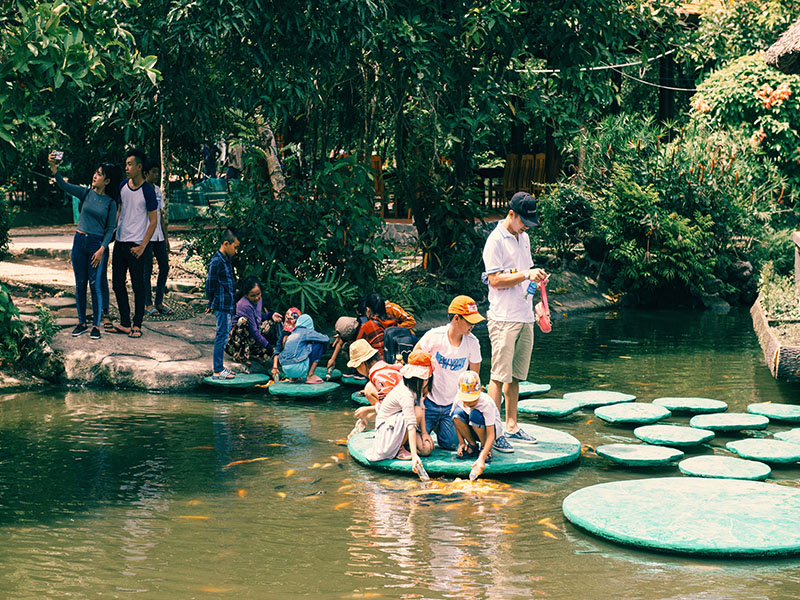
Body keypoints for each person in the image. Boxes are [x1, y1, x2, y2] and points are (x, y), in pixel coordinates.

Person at [482, 191, 548, 449]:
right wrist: (525, 275)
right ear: (511, 214)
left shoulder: (525, 237)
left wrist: (537, 278)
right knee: (498, 376)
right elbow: (495, 280)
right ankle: (493, 431)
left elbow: (526, 271)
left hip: (525, 315)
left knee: (516, 376)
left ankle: (511, 424)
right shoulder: (495, 241)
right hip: (503, 317)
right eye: (523, 222)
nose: (525, 228)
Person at [49, 152, 121, 340]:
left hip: (96, 245)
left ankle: (95, 326)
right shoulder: (86, 193)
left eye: (99, 174)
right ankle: (81, 323)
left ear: (107, 180)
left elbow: (110, 229)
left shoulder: (111, 203)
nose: (95, 176)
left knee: (95, 284)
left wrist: (102, 249)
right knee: (80, 284)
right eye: (95, 172)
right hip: (79, 242)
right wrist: (54, 167)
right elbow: (63, 185)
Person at [415, 295, 484, 452]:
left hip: (453, 405)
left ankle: (443, 426)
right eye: (469, 321)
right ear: (456, 318)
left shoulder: (472, 343)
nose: (472, 325)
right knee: (420, 444)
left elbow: (475, 378)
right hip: (428, 402)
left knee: (450, 444)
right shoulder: (434, 336)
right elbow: (415, 356)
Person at [110, 149, 158, 338]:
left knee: (138, 286)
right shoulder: (123, 186)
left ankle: (137, 324)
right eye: (126, 164)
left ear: (139, 167)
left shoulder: (148, 191)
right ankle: (124, 322)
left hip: (138, 246)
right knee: (117, 284)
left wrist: (143, 246)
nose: (127, 167)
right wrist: (113, 229)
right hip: (120, 243)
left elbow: (153, 221)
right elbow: (120, 210)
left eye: (130, 164)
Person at [364, 350, 435, 476]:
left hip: (399, 427)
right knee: (416, 412)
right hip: (387, 432)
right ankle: (399, 449)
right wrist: (414, 457)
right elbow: (411, 424)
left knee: (427, 448)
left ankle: (404, 444)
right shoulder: (405, 393)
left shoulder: (418, 389)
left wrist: (424, 433)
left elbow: (422, 407)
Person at [451, 371, 502, 480]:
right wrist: (461, 443)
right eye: (466, 400)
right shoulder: (458, 399)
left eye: (472, 400)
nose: (469, 403)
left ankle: (485, 448)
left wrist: (482, 458)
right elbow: (456, 421)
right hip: (471, 427)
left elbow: (491, 434)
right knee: (457, 413)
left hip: (489, 429)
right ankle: (472, 445)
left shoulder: (486, 403)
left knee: (475, 414)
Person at [205, 226, 240, 379]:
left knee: (224, 334)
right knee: (221, 335)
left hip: (228, 305)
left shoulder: (226, 260)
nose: (236, 250)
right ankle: (217, 369)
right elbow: (210, 284)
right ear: (226, 243)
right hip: (221, 305)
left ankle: (220, 367)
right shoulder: (216, 261)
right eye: (235, 247)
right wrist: (211, 302)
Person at [346, 338, 403, 428]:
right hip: (404, 407)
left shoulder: (379, 375)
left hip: (403, 412)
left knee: (368, 389)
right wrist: (367, 417)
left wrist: (368, 410)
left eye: (356, 367)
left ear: (363, 363)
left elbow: (391, 404)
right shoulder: (383, 368)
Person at [226, 276, 283, 365]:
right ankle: (240, 355)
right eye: (253, 295)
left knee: (270, 323)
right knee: (243, 321)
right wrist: (269, 347)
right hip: (234, 342)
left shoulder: (258, 300)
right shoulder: (245, 305)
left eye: (258, 294)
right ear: (246, 295)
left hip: (250, 337)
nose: (256, 298)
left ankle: (254, 353)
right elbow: (254, 331)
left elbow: (258, 317)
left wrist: (271, 315)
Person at [142, 159, 173, 317]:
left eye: (157, 172)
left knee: (165, 267)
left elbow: (160, 215)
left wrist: (166, 238)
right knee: (147, 270)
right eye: (153, 172)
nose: (155, 175)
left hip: (159, 236)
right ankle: (147, 304)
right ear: (146, 173)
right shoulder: (141, 190)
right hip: (147, 236)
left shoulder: (158, 190)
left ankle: (159, 301)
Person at [355, 292, 417, 361]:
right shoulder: (393, 321)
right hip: (396, 358)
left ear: (368, 309)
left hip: (379, 361)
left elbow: (356, 346)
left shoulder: (368, 326)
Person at [273, 314, 329, 384]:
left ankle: (293, 378)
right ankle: (310, 375)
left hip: (285, 369)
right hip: (297, 369)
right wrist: (324, 350)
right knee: (318, 344)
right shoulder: (306, 332)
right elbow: (326, 339)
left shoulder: (291, 334)